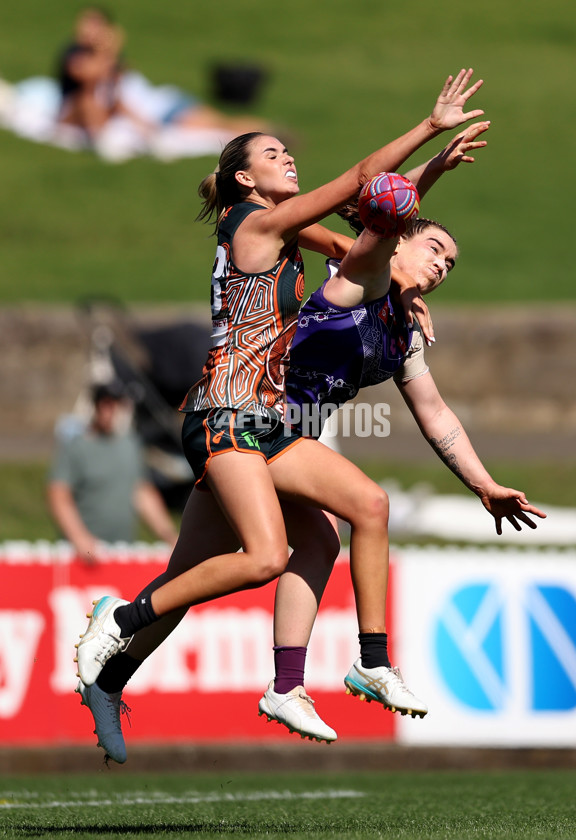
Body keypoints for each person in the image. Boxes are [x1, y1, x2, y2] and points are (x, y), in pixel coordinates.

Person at [73, 68, 491, 759]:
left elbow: (379, 225)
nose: (287, 158)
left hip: (259, 423)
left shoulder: (288, 234)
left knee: (261, 553)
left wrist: (420, 220)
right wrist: (429, 128)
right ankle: (121, 619)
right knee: (276, 551)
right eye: (272, 155)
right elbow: (365, 182)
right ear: (243, 181)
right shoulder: (260, 224)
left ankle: (113, 678)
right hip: (228, 415)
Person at [56, 7, 275, 156]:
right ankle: (269, 138)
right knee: (220, 127)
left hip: (163, 108)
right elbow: (88, 80)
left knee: (220, 125)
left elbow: (117, 98)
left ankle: (271, 135)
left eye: (94, 24)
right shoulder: (77, 55)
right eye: (85, 23)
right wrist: (110, 50)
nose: (86, 29)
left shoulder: (114, 65)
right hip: (158, 110)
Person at [48, 381, 178, 562]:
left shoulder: (130, 446)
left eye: (115, 403)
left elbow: (141, 493)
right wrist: (78, 537)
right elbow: (59, 495)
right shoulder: (75, 447)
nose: (110, 410)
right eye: (105, 403)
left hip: (120, 551)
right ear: (95, 406)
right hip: (82, 553)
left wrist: (169, 536)